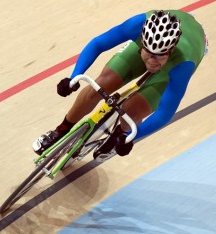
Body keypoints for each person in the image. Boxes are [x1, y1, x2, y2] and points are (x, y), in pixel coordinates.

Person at [33, 9, 207, 161]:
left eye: (160, 56)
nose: (152, 60)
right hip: (159, 41)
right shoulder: (137, 25)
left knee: (132, 111)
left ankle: (118, 134)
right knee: (100, 85)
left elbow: (164, 113)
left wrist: (131, 136)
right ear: (143, 41)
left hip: (187, 52)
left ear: (171, 50)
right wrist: (74, 77)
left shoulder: (183, 64)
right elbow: (98, 43)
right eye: (148, 53)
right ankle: (61, 130)